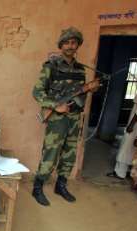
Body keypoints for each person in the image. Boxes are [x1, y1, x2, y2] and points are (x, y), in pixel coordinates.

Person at [32, 27, 100, 206]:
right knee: (51, 152)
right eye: (67, 42)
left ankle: (61, 185)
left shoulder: (80, 70)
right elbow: (37, 92)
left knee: (70, 153)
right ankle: (37, 187)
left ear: (77, 45)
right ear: (61, 45)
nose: (71, 46)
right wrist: (56, 106)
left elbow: (78, 94)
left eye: (74, 42)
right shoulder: (51, 66)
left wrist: (89, 89)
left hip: (75, 117)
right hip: (56, 118)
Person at [108, 63, 137, 180]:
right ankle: (125, 171)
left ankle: (120, 172)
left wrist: (132, 124)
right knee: (131, 147)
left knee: (127, 145)